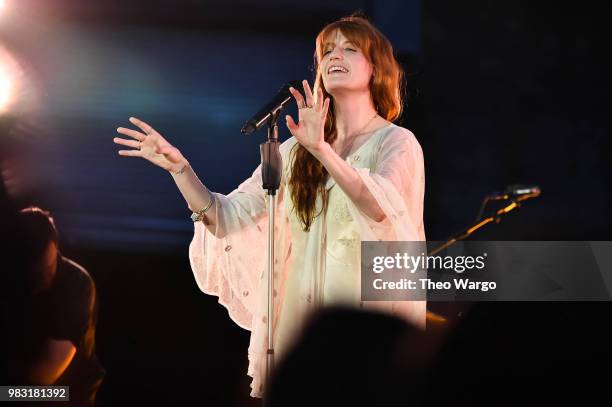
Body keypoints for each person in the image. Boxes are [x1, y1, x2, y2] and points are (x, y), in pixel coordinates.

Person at [113, 15, 426, 398]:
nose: (334, 56)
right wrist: (181, 170)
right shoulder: (295, 149)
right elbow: (226, 216)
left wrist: (322, 150)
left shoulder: (396, 142)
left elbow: (381, 207)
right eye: (327, 50)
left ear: (376, 67)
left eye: (349, 48)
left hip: (361, 328)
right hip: (299, 328)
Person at [3, 207, 105, 406]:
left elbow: (43, 379)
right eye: (34, 273)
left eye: (48, 268)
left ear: (56, 246)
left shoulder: (77, 284)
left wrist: (5, 393)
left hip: (66, 396)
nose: (44, 279)